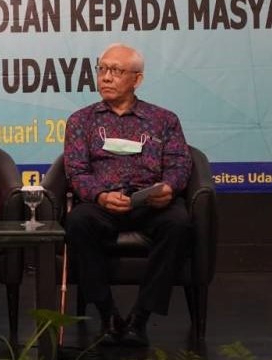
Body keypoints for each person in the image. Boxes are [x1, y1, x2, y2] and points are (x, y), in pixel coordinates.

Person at [63, 43, 191, 347]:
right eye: (102, 69)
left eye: (116, 71)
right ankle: (108, 315)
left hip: (149, 203)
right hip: (103, 203)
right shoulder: (81, 121)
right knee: (77, 222)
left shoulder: (163, 120)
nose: (106, 77)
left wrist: (168, 188)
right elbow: (76, 171)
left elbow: (180, 164)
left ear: (137, 79)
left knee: (179, 223)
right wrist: (100, 196)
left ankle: (140, 318)